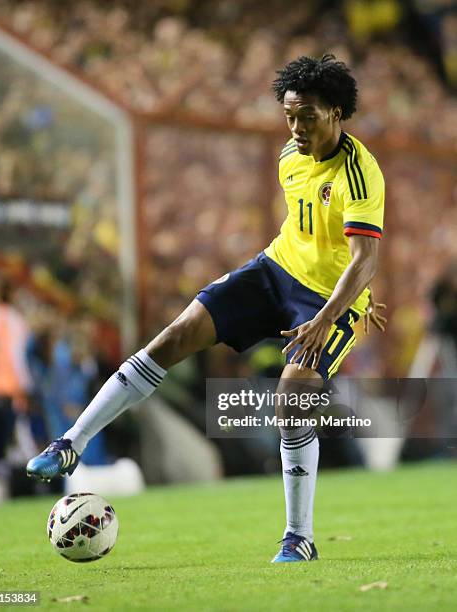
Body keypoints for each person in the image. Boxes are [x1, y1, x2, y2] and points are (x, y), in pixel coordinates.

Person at [27, 54, 387, 562]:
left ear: (336, 112)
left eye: (307, 115)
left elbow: (364, 257)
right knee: (176, 335)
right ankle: (69, 443)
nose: (296, 127)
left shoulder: (360, 171)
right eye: (289, 115)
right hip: (275, 270)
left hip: (327, 303)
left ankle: (298, 537)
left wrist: (330, 314)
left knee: (293, 394)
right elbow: (306, 233)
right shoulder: (290, 155)